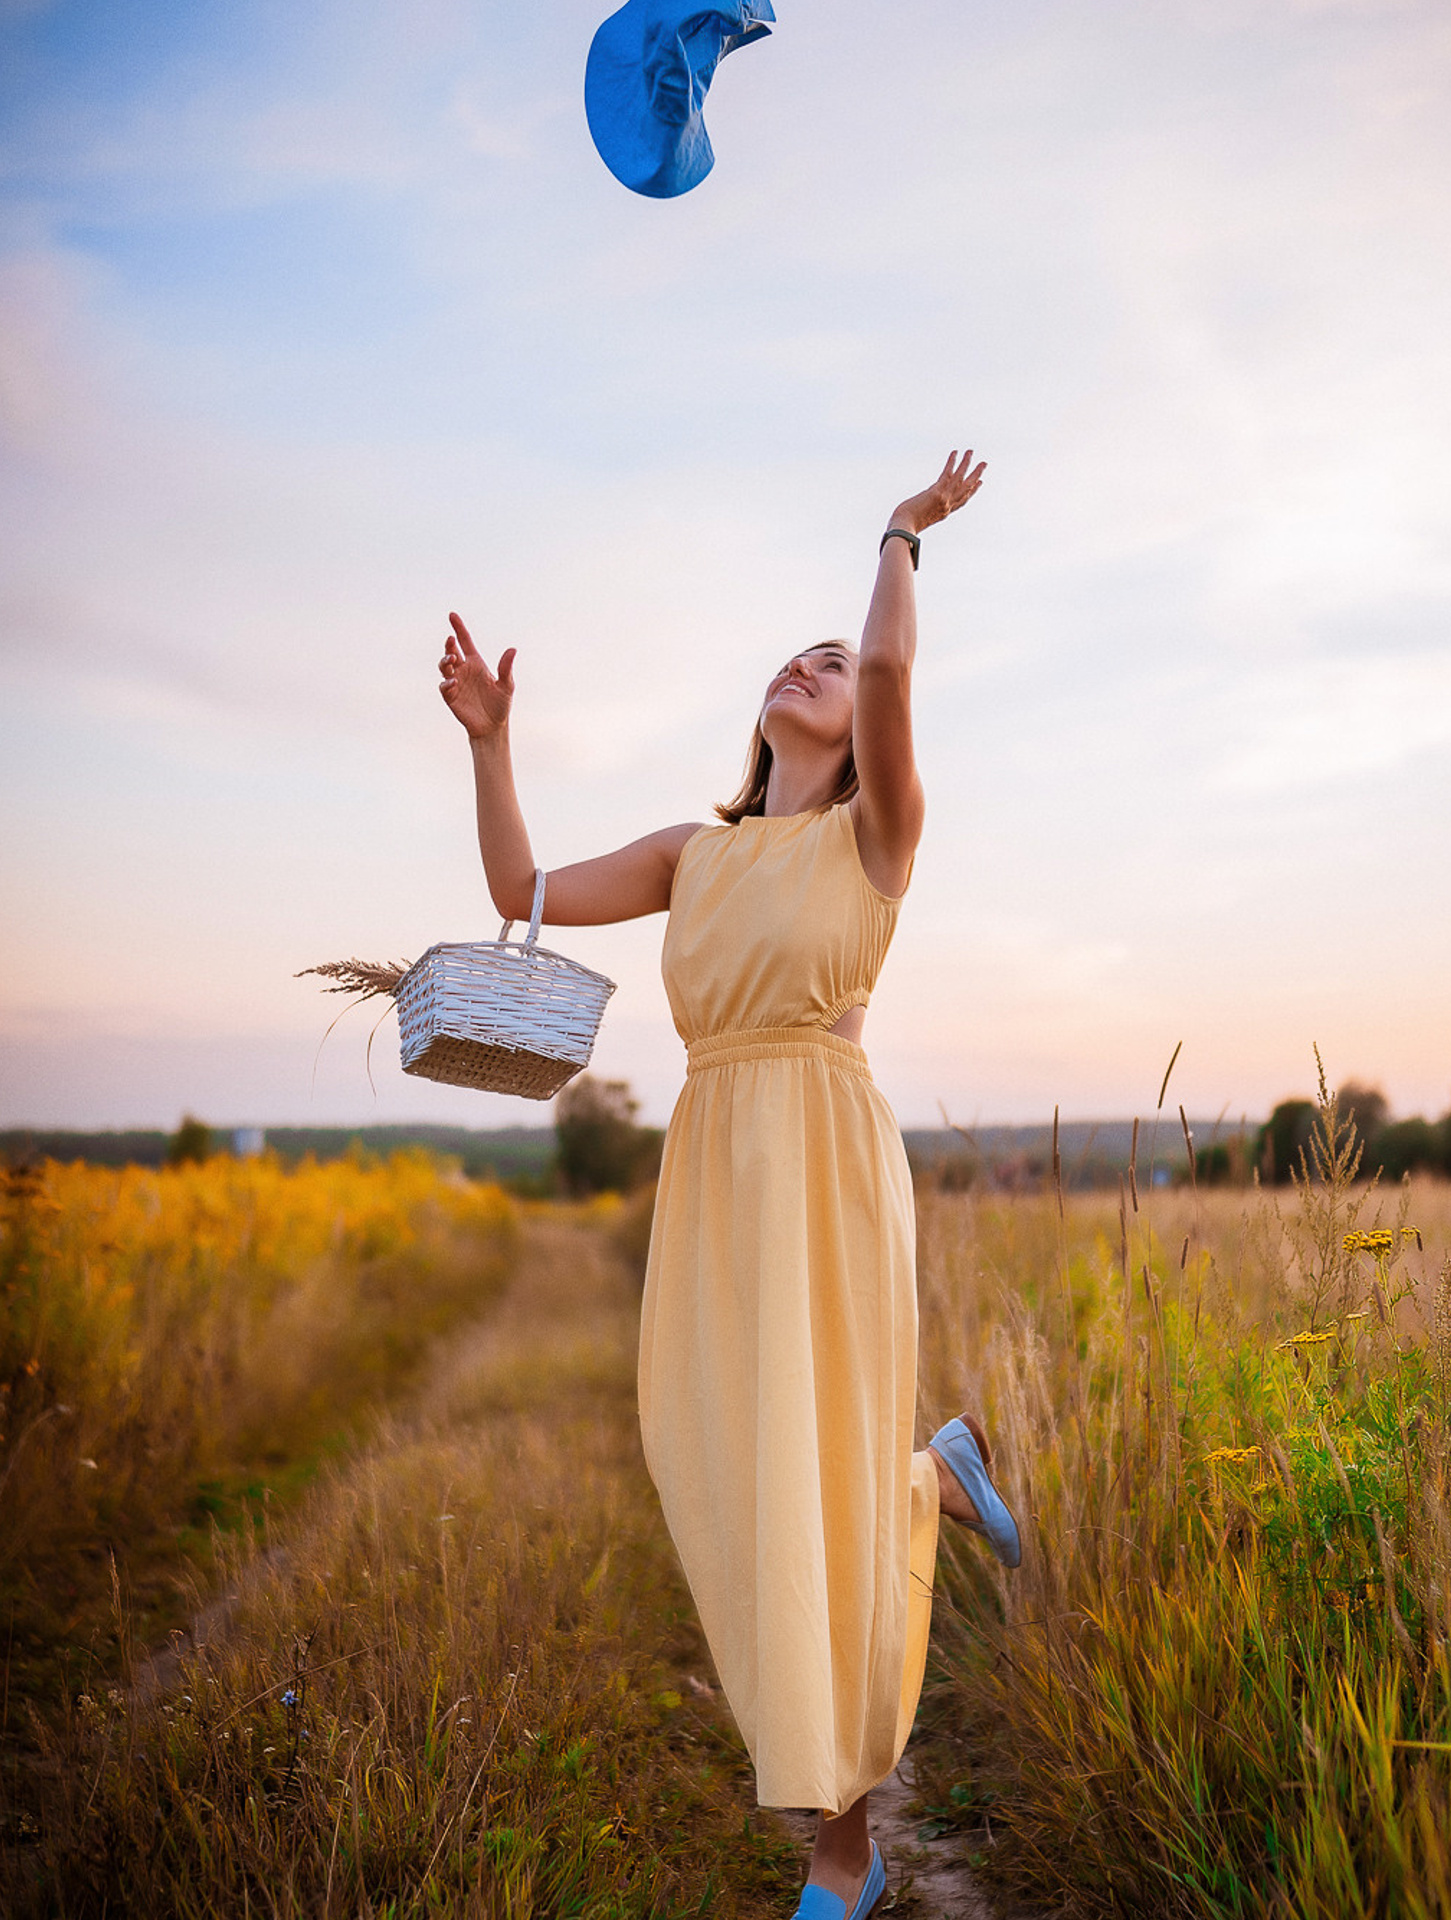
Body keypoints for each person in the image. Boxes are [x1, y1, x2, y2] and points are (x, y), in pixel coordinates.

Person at [438, 452, 1021, 1920]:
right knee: (713, 1466)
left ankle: (848, 1847)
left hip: (824, 1160)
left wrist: (899, 535)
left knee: (806, 1503)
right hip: (714, 1158)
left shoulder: (874, 833)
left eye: (830, 661)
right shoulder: (693, 853)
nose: (813, 664)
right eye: (796, 656)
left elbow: (888, 663)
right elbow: (519, 893)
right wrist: (491, 744)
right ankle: (931, 1475)